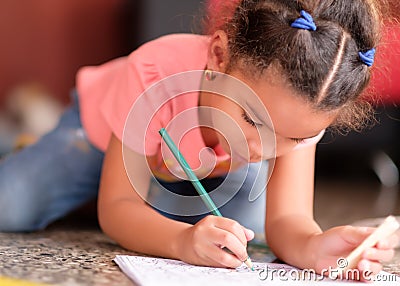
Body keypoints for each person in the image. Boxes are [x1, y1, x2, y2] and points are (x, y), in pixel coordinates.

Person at [0, 0, 397, 280]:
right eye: (250, 117)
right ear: (219, 57)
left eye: (294, 138)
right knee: (12, 203)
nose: (261, 150)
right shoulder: (154, 75)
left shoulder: (304, 106)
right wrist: (181, 241)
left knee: (241, 232)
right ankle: (31, 143)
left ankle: (105, 200)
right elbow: (118, 206)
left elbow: (287, 221)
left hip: (189, 171)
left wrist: (314, 248)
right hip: (99, 138)